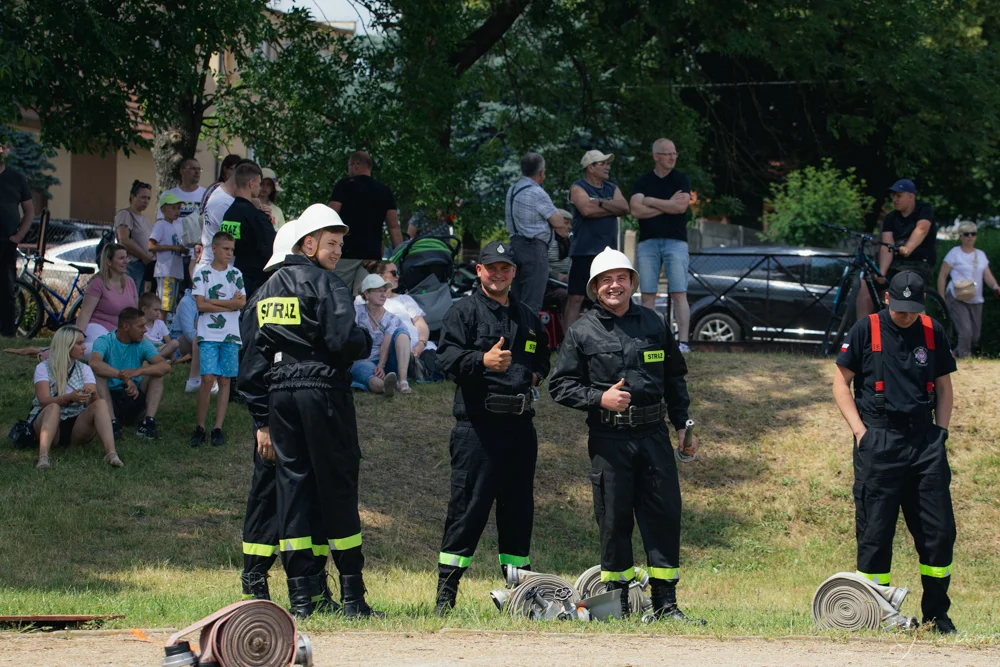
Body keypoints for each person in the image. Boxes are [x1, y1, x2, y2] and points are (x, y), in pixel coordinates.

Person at [238, 203, 382, 619]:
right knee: (338, 485)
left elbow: (252, 362)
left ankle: (303, 599)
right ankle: (353, 598)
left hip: (279, 394)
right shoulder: (327, 283)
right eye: (331, 243)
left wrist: (260, 418)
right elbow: (342, 342)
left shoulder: (264, 292)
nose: (337, 252)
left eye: (340, 244)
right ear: (308, 243)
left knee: (293, 489)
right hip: (321, 391)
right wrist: (363, 342)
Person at [549, 247, 700, 622]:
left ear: (632, 282)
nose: (614, 285)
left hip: (654, 437)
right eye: (606, 280)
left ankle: (666, 604)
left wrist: (683, 424)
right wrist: (600, 397)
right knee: (613, 520)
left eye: (621, 278)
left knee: (663, 516)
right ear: (595, 287)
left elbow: (674, 378)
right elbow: (560, 386)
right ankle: (617, 605)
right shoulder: (582, 330)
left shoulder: (652, 322)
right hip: (609, 440)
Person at [833, 271, 958, 634]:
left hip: (924, 442)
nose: (906, 316)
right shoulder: (865, 329)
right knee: (875, 531)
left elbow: (945, 388)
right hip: (879, 439)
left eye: (912, 310)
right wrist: (860, 433)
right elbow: (840, 384)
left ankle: (937, 615)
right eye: (900, 309)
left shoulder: (932, 331)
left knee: (939, 532)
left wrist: (941, 432)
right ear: (887, 299)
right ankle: (875, 615)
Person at [432, 240, 550, 615]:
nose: (498, 274)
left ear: (514, 272)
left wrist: (534, 375)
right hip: (478, 430)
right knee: (467, 512)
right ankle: (445, 598)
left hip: (520, 427)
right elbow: (445, 359)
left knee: (518, 512)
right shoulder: (462, 312)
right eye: (491, 267)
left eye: (505, 268)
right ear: (479, 271)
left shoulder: (528, 317)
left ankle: (519, 599)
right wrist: (481, 360)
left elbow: (543, 359)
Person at [630, 138, 693, 353]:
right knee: (648, 294)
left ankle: (683, 343)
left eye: (675, 153)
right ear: (656, 156)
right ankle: (651, 340)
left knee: (679, 293)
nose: (673, 157)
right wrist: (668, 204)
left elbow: (681, 208)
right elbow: (636, 211)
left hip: (676, 242)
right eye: (668, 154)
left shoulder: (681, 179)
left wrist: (650, 201)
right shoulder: (643, 181)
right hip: (648, 243)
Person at [28, 326, 121, 469]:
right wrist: (69, 397)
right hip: (48, 421)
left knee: (101, 403)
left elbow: (93, 404)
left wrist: (93, 393)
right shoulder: (43, 368)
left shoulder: (85, 369)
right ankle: (43, 457)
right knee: (53, 407)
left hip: (76, 424)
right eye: (79, 343)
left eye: (83, 342)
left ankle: (111, 453)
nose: (84, 347)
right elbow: (43, 402)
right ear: (66, 345)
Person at [190, 232, 245, 448]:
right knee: (207, 379)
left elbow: (241, 303)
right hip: (209, 334)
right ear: (214, 248)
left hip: (231, 335)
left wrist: (214, 301)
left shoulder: (236, 274)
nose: (230, 253)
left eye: (232, 249)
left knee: (225, 381)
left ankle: (218, 427)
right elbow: (200, 306)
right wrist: (228, 302)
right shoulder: (202, 273)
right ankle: (200, 426)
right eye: (226, 249)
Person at [566, 150, 629, 326]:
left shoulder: (612, 188)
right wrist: (611, 208)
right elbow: (586, 210)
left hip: (607, 254)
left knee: (608, 296)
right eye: (603, 163)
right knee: (576, 298)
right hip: (583, 251)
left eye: (608, 163)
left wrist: (600, 202)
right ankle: (567, 343)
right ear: (590, 167)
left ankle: (609, 338)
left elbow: (624, 208)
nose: (607, 167)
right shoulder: (578, 187)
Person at [89, 307, 172, 440]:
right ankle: (112, 423)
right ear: (126, 326)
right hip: (110, 400)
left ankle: (148, 423)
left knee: (157, 374)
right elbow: (94, 363)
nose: (145, 330)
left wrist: (138, 371)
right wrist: (124, 377)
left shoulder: (143, 343)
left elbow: (165, 366)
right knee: (99, 375)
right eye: (140, 326)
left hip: (134, 397)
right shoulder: (105, 341)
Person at [328, 150, 401, 294]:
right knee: (366, 299)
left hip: (345, 253)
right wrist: (400, 254)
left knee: (337, 296)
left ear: (355, 165)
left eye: (348, 167)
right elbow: (394, 227)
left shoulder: (344, 185)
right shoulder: (384, 190)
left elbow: (330, 216)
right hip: (372, 256)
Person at [504, 152, 565, 315]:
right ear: (541, 172)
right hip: (534, 249)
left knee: (516, 299)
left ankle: (515, 338)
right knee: (532, 302)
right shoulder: (536, 192)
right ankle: (529, 340)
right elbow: (558, 221)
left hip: (515, 247)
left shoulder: (512, 190)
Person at [366, 261, 439, 379]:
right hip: (391, 350)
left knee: (433, 354)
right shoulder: (367, 301)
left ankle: (421, 368)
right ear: (379, 276)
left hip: (417, 348)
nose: (398, 276)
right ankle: (418, 370)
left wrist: (421, 344)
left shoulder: (405, 299)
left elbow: (421, 325)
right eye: (394, 273)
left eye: (398, 273)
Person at [937, 222, 1000, 358]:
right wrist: (941, 297)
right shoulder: (954, 253)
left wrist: (995, 286)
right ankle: (966, 359)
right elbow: (943, 275)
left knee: (975, 335)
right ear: (960, 236)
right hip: (956, 296)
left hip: (975, 298)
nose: (970, 237)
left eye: (973, 234)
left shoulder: (981, 255)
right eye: (966, 234)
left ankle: (954, 354)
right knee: (966, 331)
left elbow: (987, 275)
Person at [221, 162, 276, 300]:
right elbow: (271, 247)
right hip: (256, 282)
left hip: (232, 276)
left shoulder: (228, 214)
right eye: (259, 183)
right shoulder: (256, 216)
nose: (259, 187)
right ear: (251, 183)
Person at [352, 273, 412, 395]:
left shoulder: (391, 318)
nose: (384, 295)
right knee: (362, 369)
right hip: (364, 361)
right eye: (379, 291)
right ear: (367, 294)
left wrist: (381, 365)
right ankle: (385, 386)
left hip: (387, 362)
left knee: (402, 333)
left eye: (385, 291)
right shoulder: (356, 311)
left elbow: (386, 343)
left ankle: (402, 381)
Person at [76, 243, 138, 354]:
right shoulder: (97, 283)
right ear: (109, 262)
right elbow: (85, 313)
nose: (126, 261)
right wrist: (77, 336)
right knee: (105, 350)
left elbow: (136, 313)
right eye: (121, 258)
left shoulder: (130, 282)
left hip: (122, 332)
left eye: (126, 257)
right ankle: (65, 351)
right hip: (98, 327)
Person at [0, 140, 34, 337]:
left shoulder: (16, 178)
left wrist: (18, 236)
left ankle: (7, 333)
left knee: (6, 288)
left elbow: (29, 211)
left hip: (6, 242)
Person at [149, 193, 186, 317]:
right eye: (173, 208)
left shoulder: (176, 226)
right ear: (163, 210)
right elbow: (151, 246)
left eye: (178, 208)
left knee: (171, 305)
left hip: (175, 271)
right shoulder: (160, 225)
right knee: (164, 306)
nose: (177, 211)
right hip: (165, 271)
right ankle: (161, 332)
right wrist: (173, 247)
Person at [115, 180, 155, 292]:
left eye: (148, 198)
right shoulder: (125, 214)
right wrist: (145, 257)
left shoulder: (145, 219)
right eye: (143, 197)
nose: (146, 201)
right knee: (130, 298)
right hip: (132, 265)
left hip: (145, 266)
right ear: (133, 197)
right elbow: (124, 240)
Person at [139, 292, 180, 360]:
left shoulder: (160, 323)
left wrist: (170, 351)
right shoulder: (139, 325)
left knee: (175, 342)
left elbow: (168, 341)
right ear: (144, 309)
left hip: (160, 348)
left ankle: (157, 358)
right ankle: (157, 359)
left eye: (159, 310)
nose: (159, 313)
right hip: (146, 348)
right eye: (155, 310)